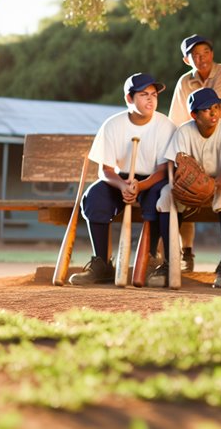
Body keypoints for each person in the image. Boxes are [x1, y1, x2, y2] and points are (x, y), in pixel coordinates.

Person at [69, 73, 176, 285]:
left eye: (154, 95)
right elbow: (105, 170)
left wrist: (140, 186)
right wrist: (122, 185)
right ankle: (102, 264)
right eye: (144, 94)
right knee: (94, 197)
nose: (150, 99)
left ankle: (151, 258)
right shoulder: (112, 125)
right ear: (129, 98)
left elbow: (164, 170)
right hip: (121, 179)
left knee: (159, 198)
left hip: (153, 179)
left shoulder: (165, 125)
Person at [167, 34, 221, 272]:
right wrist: (186, 170)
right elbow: (179, 119)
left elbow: (212, 107)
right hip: (198, 135)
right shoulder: (184, 82)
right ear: (187, 60)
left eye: (206, 53)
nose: (202, 58)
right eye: (195, 55)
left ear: (212, 54)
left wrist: (213, 184)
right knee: (182, 190)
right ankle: (173, 257)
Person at [161, 87, 221, 288]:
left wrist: (211, 186)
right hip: (190, 185)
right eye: (206, 109)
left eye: (216, 107)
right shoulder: (184, 131)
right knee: (166, 196)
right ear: (194, 114)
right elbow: (175, 167)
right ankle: (169, 261)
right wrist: (185, 184)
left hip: (220, 182)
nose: (213, 113)